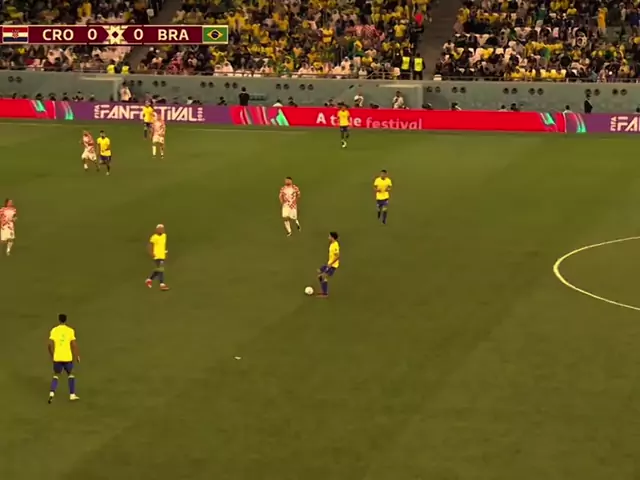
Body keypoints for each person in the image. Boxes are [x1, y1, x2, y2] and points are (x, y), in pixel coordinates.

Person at [48, 313, 80, 403]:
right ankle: (72, 394)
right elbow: (74, 344)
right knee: (71, 374)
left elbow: (49, 345)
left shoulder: (54, 330)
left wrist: (52, 355)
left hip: (57, 357)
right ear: (66, 320)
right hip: (67, 357)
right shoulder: (70, 330)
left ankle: (52, 393)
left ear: (59, 320)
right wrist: (77, 356)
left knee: (56, 375)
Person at [146, 224, 169, 291]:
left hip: (162, 255)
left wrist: (165, 251)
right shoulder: (154, 237)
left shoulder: (164, 236)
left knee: (159, 269)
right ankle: (162, 284)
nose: (162, 230)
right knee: (161, 269)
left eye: (163, 229)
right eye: (160, 229)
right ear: (157, 230)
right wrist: (151, 253)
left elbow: (162, 244)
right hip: (157, 256)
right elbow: (149, 245)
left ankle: (149, 280)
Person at [317, 232, 340, 298]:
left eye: (329, 236)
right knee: (319, 272)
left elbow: (337, 256)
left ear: (332, 237)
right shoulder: (332, 244)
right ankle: (324, 291)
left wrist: (331, 264)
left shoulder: (335, 245)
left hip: (332, 266)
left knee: (322, 277)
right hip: (329, 264)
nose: (328, 237)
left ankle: (325, 293)